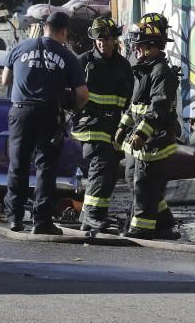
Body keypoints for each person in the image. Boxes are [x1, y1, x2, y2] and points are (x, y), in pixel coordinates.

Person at [1, 11, 89, 235]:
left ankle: (15, 218)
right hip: (49, 115)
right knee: (46, 168)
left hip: (20, 112)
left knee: (18, 166)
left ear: (44, 27)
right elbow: (82, 94)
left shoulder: (20, 48)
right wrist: (72, 106)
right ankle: (41, 221)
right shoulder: (67, 56)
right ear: (64, 32)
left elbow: (4, 80)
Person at [115, 22, 181, 240]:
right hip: (141, 139)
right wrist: (123, 126)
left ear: (152, 45)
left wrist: (142, 132)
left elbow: (158, 106)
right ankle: (164, 222)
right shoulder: (145, 69)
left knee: (144, 182)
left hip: (155, 139)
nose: (136, 49)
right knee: (132, 176)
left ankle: (143, 227)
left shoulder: (161, 72)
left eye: (140, 44)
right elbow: (135, 105)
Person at [72, 17, 133, 233]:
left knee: (108, 172)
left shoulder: (123, 65)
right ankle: (93, 216)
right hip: (91, 125)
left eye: (106, 40)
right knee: (102, 166)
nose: (102, 44)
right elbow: (71, 94)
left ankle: (92, 215)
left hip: (114, 128)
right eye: (98, 40)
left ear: (115, 40)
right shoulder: (83, 62)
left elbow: (129, 99)